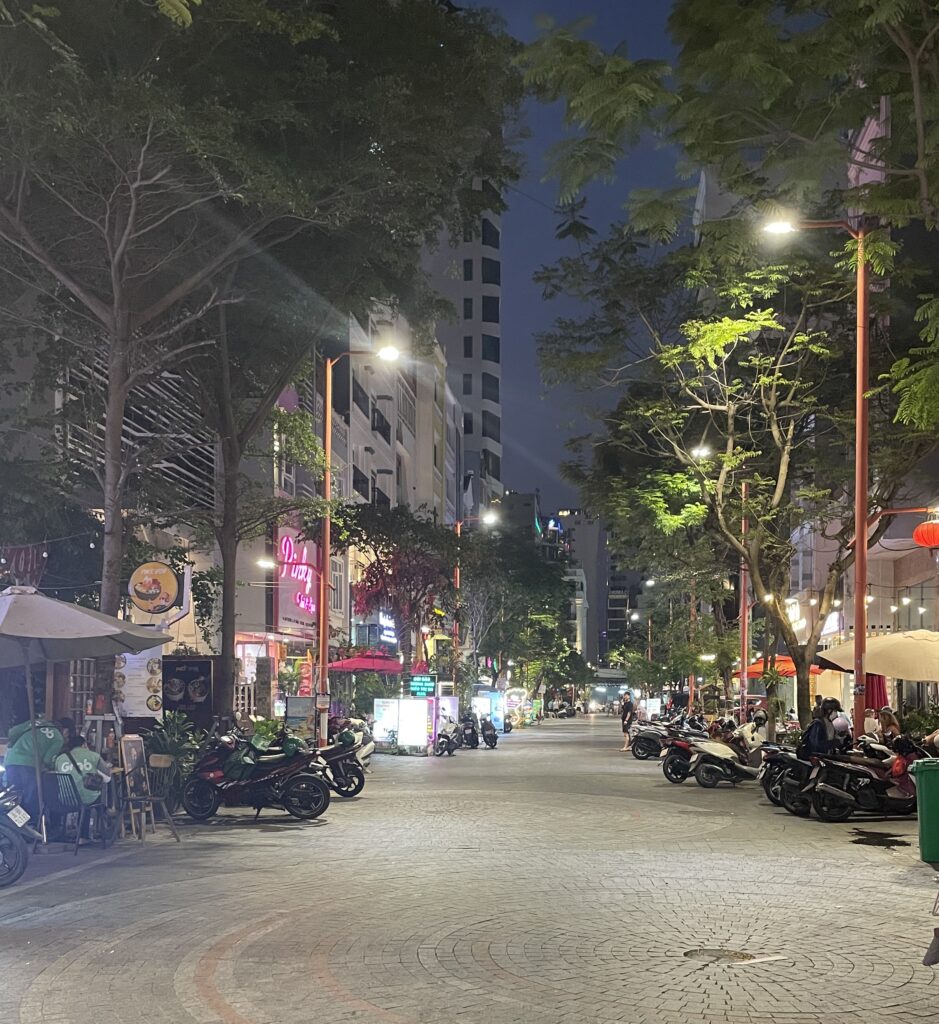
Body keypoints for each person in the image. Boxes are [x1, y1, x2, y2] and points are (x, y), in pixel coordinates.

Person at [2, 714, 65, 819]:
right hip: (30, 764)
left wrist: (13, 744)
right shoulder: (58, 738)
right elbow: (47, 760)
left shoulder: (36, 723)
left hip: (11, 760)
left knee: (13, 795)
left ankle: (12, 824)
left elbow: (12, 732)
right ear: (64, 731)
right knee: (30, 797)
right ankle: (29, 825)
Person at [53, 735, 111, 842]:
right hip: (85, 798)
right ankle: (97, 829)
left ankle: (66, 832)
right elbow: (107, 778)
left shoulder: (60, 758)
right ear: (84, 744)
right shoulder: (94, 756)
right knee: (92, 796)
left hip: (64, 797)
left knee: (84, 795)